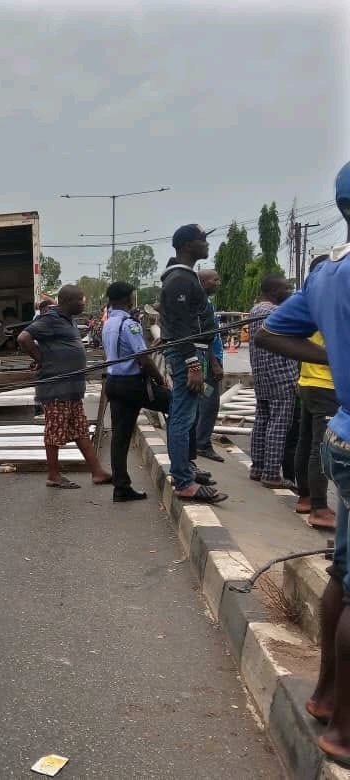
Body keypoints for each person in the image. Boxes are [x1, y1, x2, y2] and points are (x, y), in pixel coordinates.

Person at [253, 160, 350, 766]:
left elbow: (268, 335)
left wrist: (333, 354)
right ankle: (342, 731)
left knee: (343, 571)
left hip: (341, 434)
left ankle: (323, 697)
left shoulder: (327, 274)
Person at [18, 284, 112, 489]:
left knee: (80, 430)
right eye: (80, 300)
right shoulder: (51, 319)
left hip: (71, 389)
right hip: (56, 388)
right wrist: (40, 359)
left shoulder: (68, 320)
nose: (83, 303)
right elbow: (24, 338)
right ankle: (53, 475)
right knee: (55, 431)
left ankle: (97, 472)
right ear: (68, 301)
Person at [159, 224, 226, 503]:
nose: (206, 244)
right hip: (189, 354)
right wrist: (193, 365)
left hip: (194, 352)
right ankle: (183, 481)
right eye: (202, 240)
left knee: (184, 416)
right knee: (182, 416)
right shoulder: (179, 280)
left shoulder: (184, 278)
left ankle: (185, 469)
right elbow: (180, 325)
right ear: (187, 245)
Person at [102, 282, 171, 502]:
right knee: (178, 405)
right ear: (127, 299)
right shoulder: (129, 323)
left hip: (113, 381)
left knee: (120, 438)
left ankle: (121, 487)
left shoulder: (109, 322)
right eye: (132, 297)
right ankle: (185, 465)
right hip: (132, 384)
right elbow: (143, 359)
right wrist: (161, 381)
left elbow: (127, 352)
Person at [293, 255, 339, 530]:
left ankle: (306, 497)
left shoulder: (307, 299)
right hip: (325, 383)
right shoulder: (329, 301)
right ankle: (319, 508)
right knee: (320, 448)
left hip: (308, 380)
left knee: (307, 441)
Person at [248, 273, 298, 488]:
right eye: (286, 288)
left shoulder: (255, 310)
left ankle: (257, 468)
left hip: (260, 373)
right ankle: (271, 474)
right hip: (281, 374)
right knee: (278, 424)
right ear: (275, 291)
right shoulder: (278, 312)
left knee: (262, 420)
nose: (290, 291)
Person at [196, 270, 226, 462]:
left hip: (208, 359)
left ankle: (199, 440)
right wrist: (214, 363)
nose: (218, 282)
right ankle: (203, 444)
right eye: (214, 279)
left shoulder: (204, 303)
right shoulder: (201, 305)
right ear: (203, 282)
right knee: (210, 403)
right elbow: (203, 338)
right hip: (208, 361)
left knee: (203, 402)